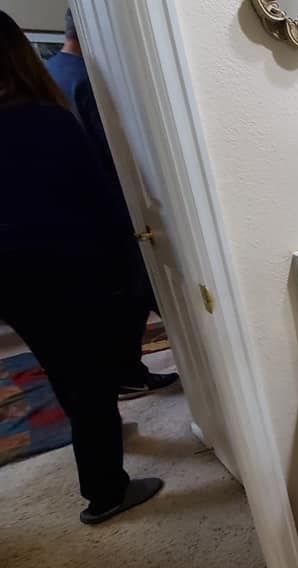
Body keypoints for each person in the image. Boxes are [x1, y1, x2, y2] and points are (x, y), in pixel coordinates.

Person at [0, 10, 163, 524]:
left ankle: (104, 440)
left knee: (67, 373)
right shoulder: (41, 118)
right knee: (89, 384)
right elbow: (97, 198)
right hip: (68, 272)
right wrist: (127, 266)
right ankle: (105, 492)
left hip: (13, 282)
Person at [46, 9, 178, 400]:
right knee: (136, 294)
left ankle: (123, 371)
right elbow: (111, 153)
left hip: (74, 220)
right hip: (109, 211)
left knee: (125, 299)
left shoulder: (53, 73)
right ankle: (127, 372)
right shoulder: (85, 82)